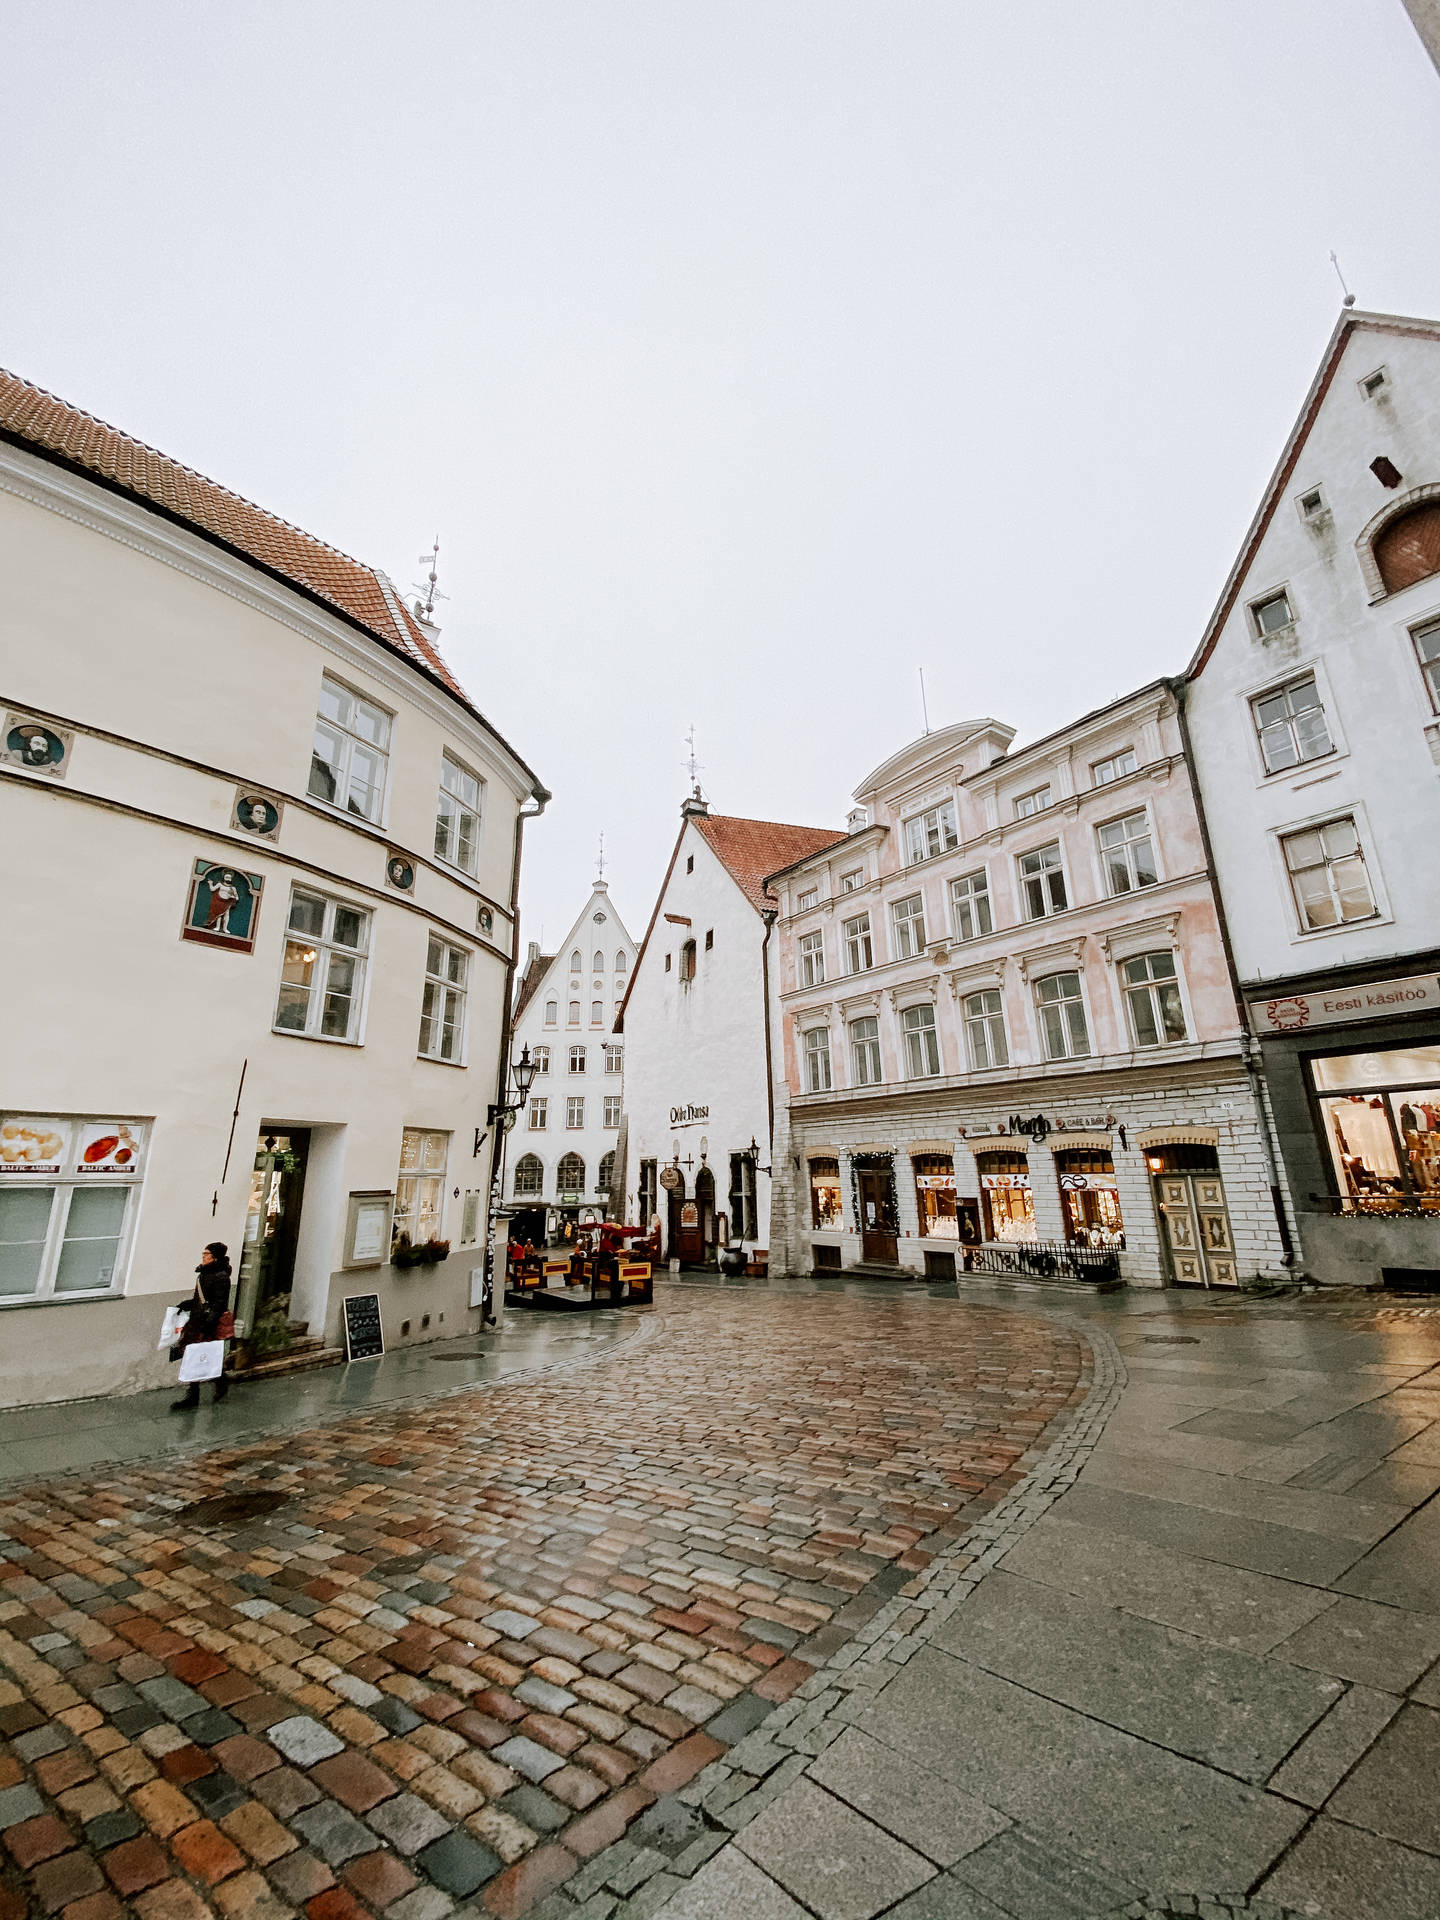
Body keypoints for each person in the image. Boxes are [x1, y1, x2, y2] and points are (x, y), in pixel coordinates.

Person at [171, 1242, 233, 1411]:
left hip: (206, 1323)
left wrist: (208, 1324)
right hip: (197, 1321)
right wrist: (186, 1305)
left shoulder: (221, 1276)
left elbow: (219, 1304)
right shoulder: (203, 1274)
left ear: (215, 1257)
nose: (203, 1256)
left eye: (207, 1254)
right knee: (195, 1356)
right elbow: (200, 1300)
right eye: (203, 1253)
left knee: (198, 1356)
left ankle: (198, 1394)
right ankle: (217, 1382)